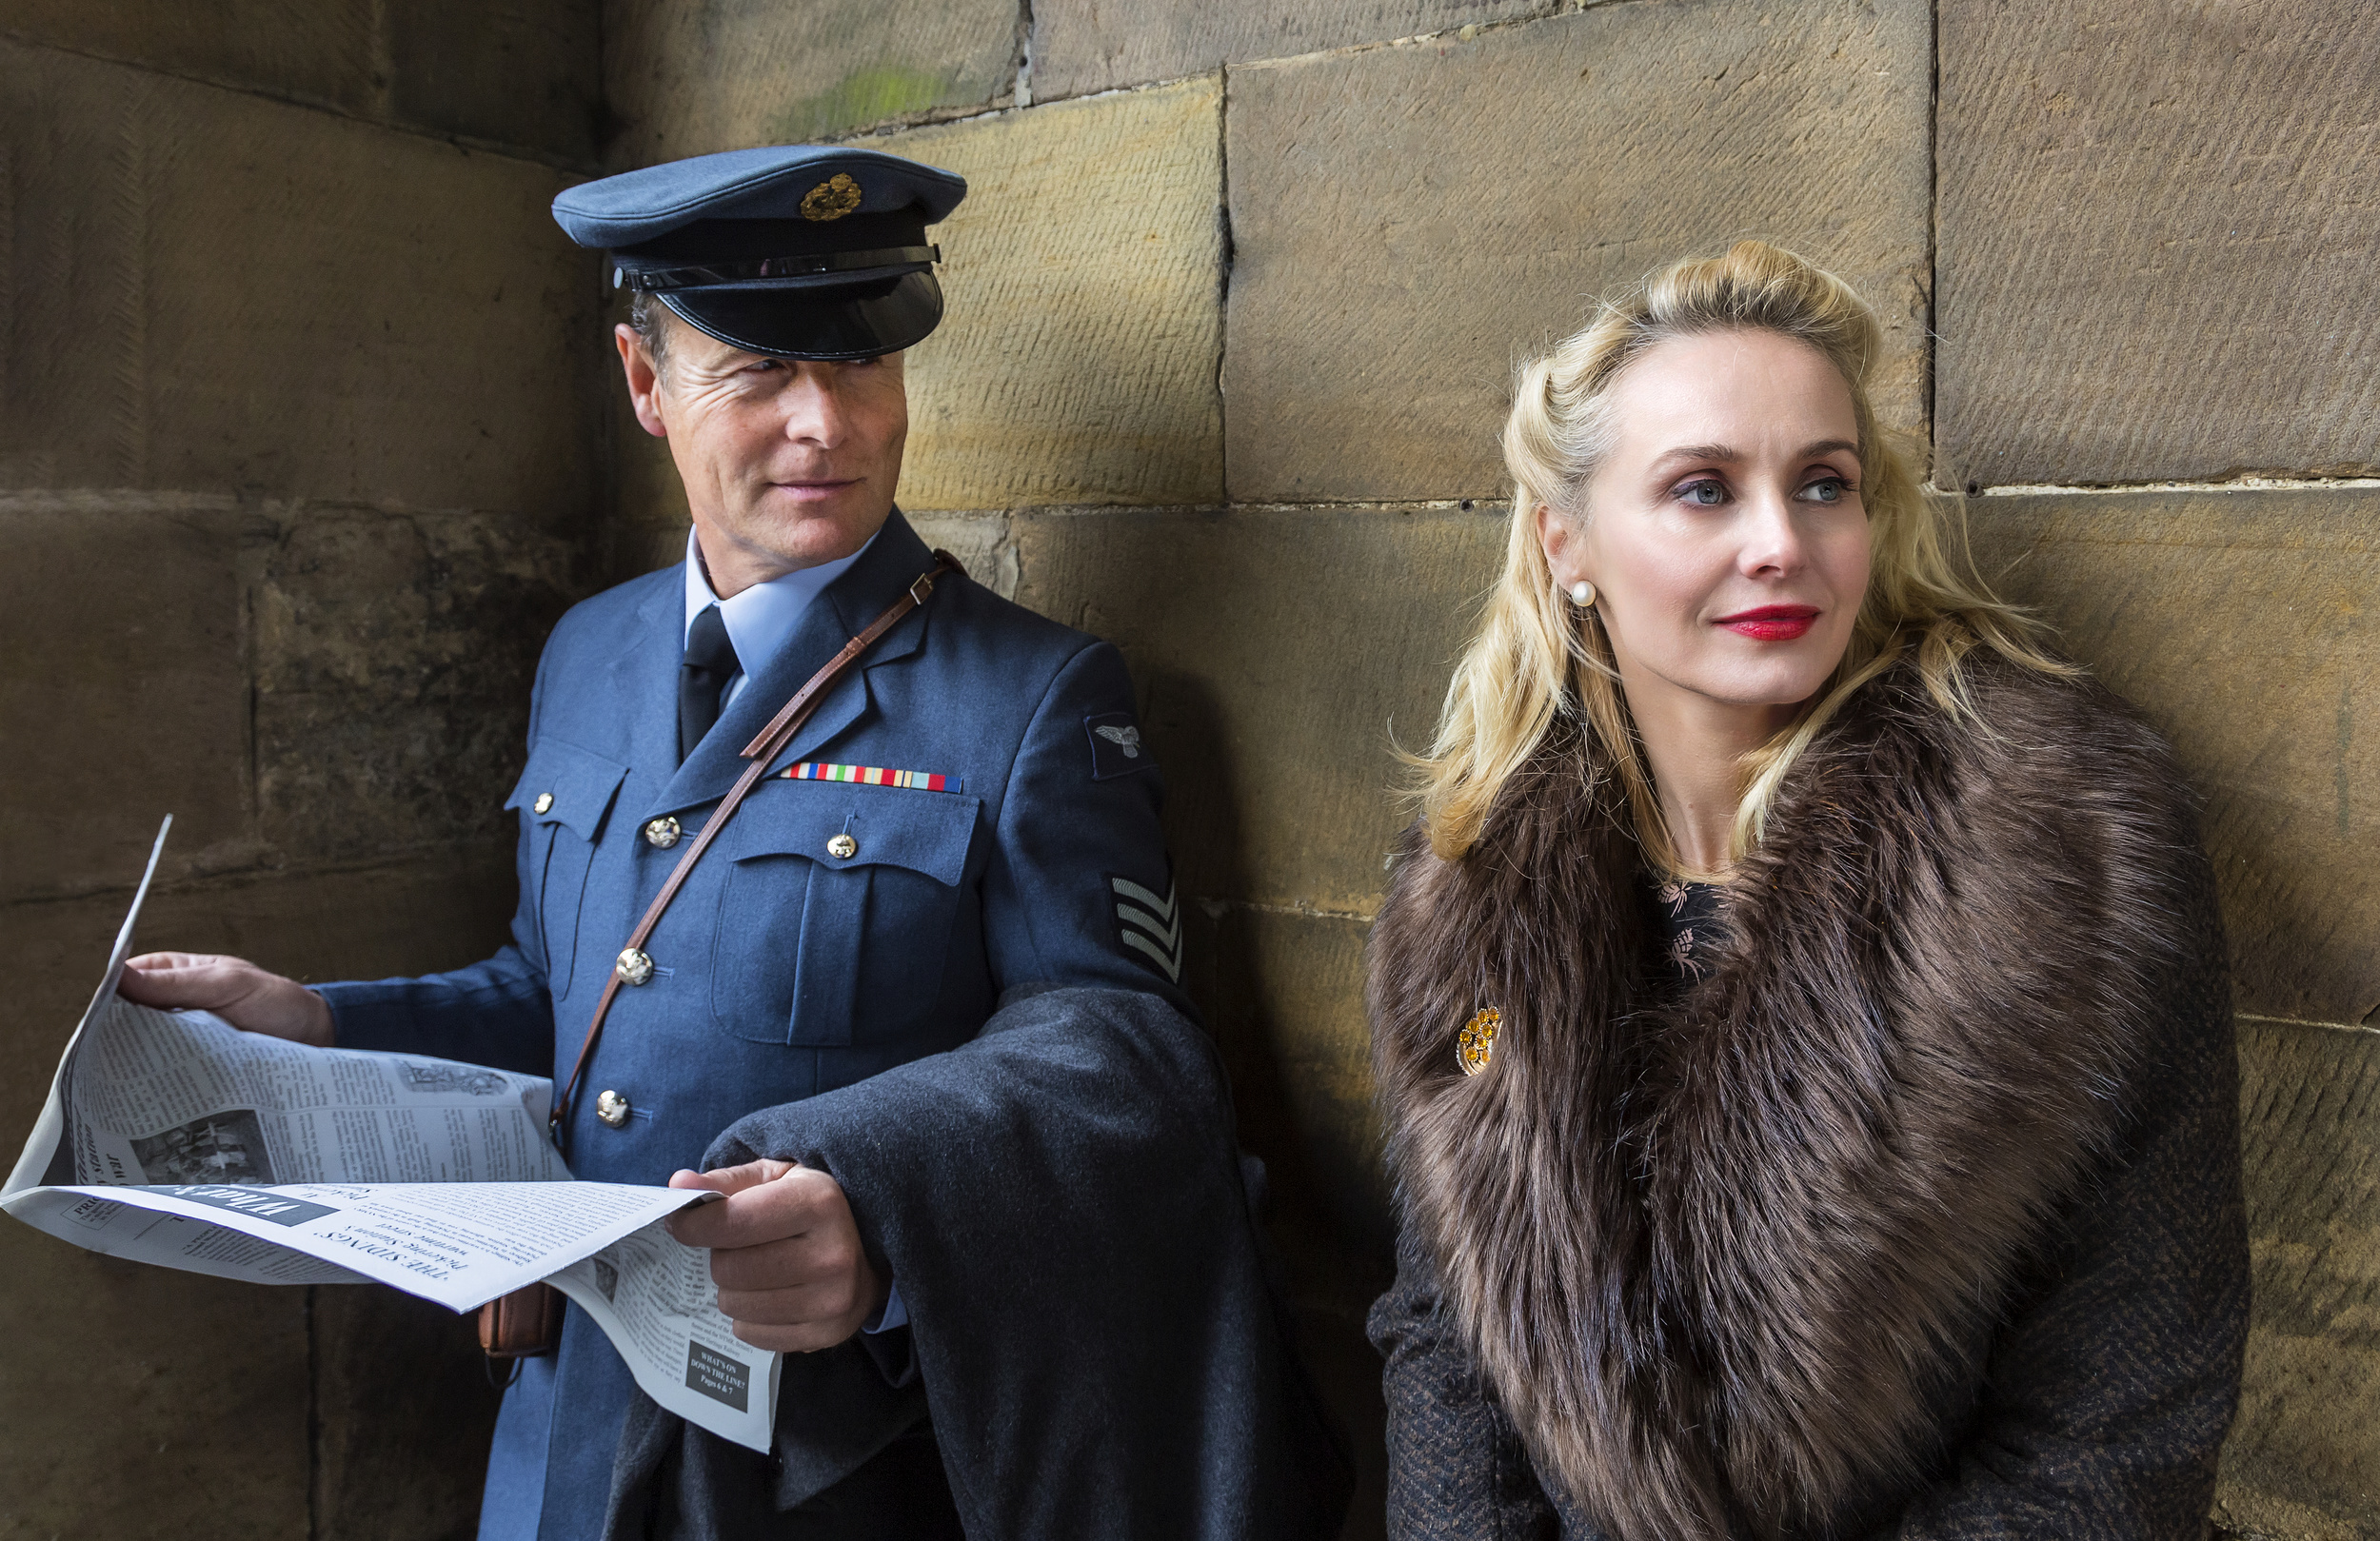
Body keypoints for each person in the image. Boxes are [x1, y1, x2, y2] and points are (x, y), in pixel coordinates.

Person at [118, 144, 1347, 1541]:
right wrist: (321, 1026)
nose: (827, 423)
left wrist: (877, 1202)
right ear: (645, 385)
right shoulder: (589, 651)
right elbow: (562, 990)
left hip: (817, 1464)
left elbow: (1126, 1055)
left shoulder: (1033, 694)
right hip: (564, 1438)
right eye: (759, 371)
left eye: (863, 363)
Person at [1364, 241, 2248, 1538]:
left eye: (1823, 484)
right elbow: (1446, 1347)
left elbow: (2128, 1423)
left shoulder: (2062, 850)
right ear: (1569, 543)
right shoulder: (1464, 899)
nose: (1781, 542)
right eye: (1704, 489)